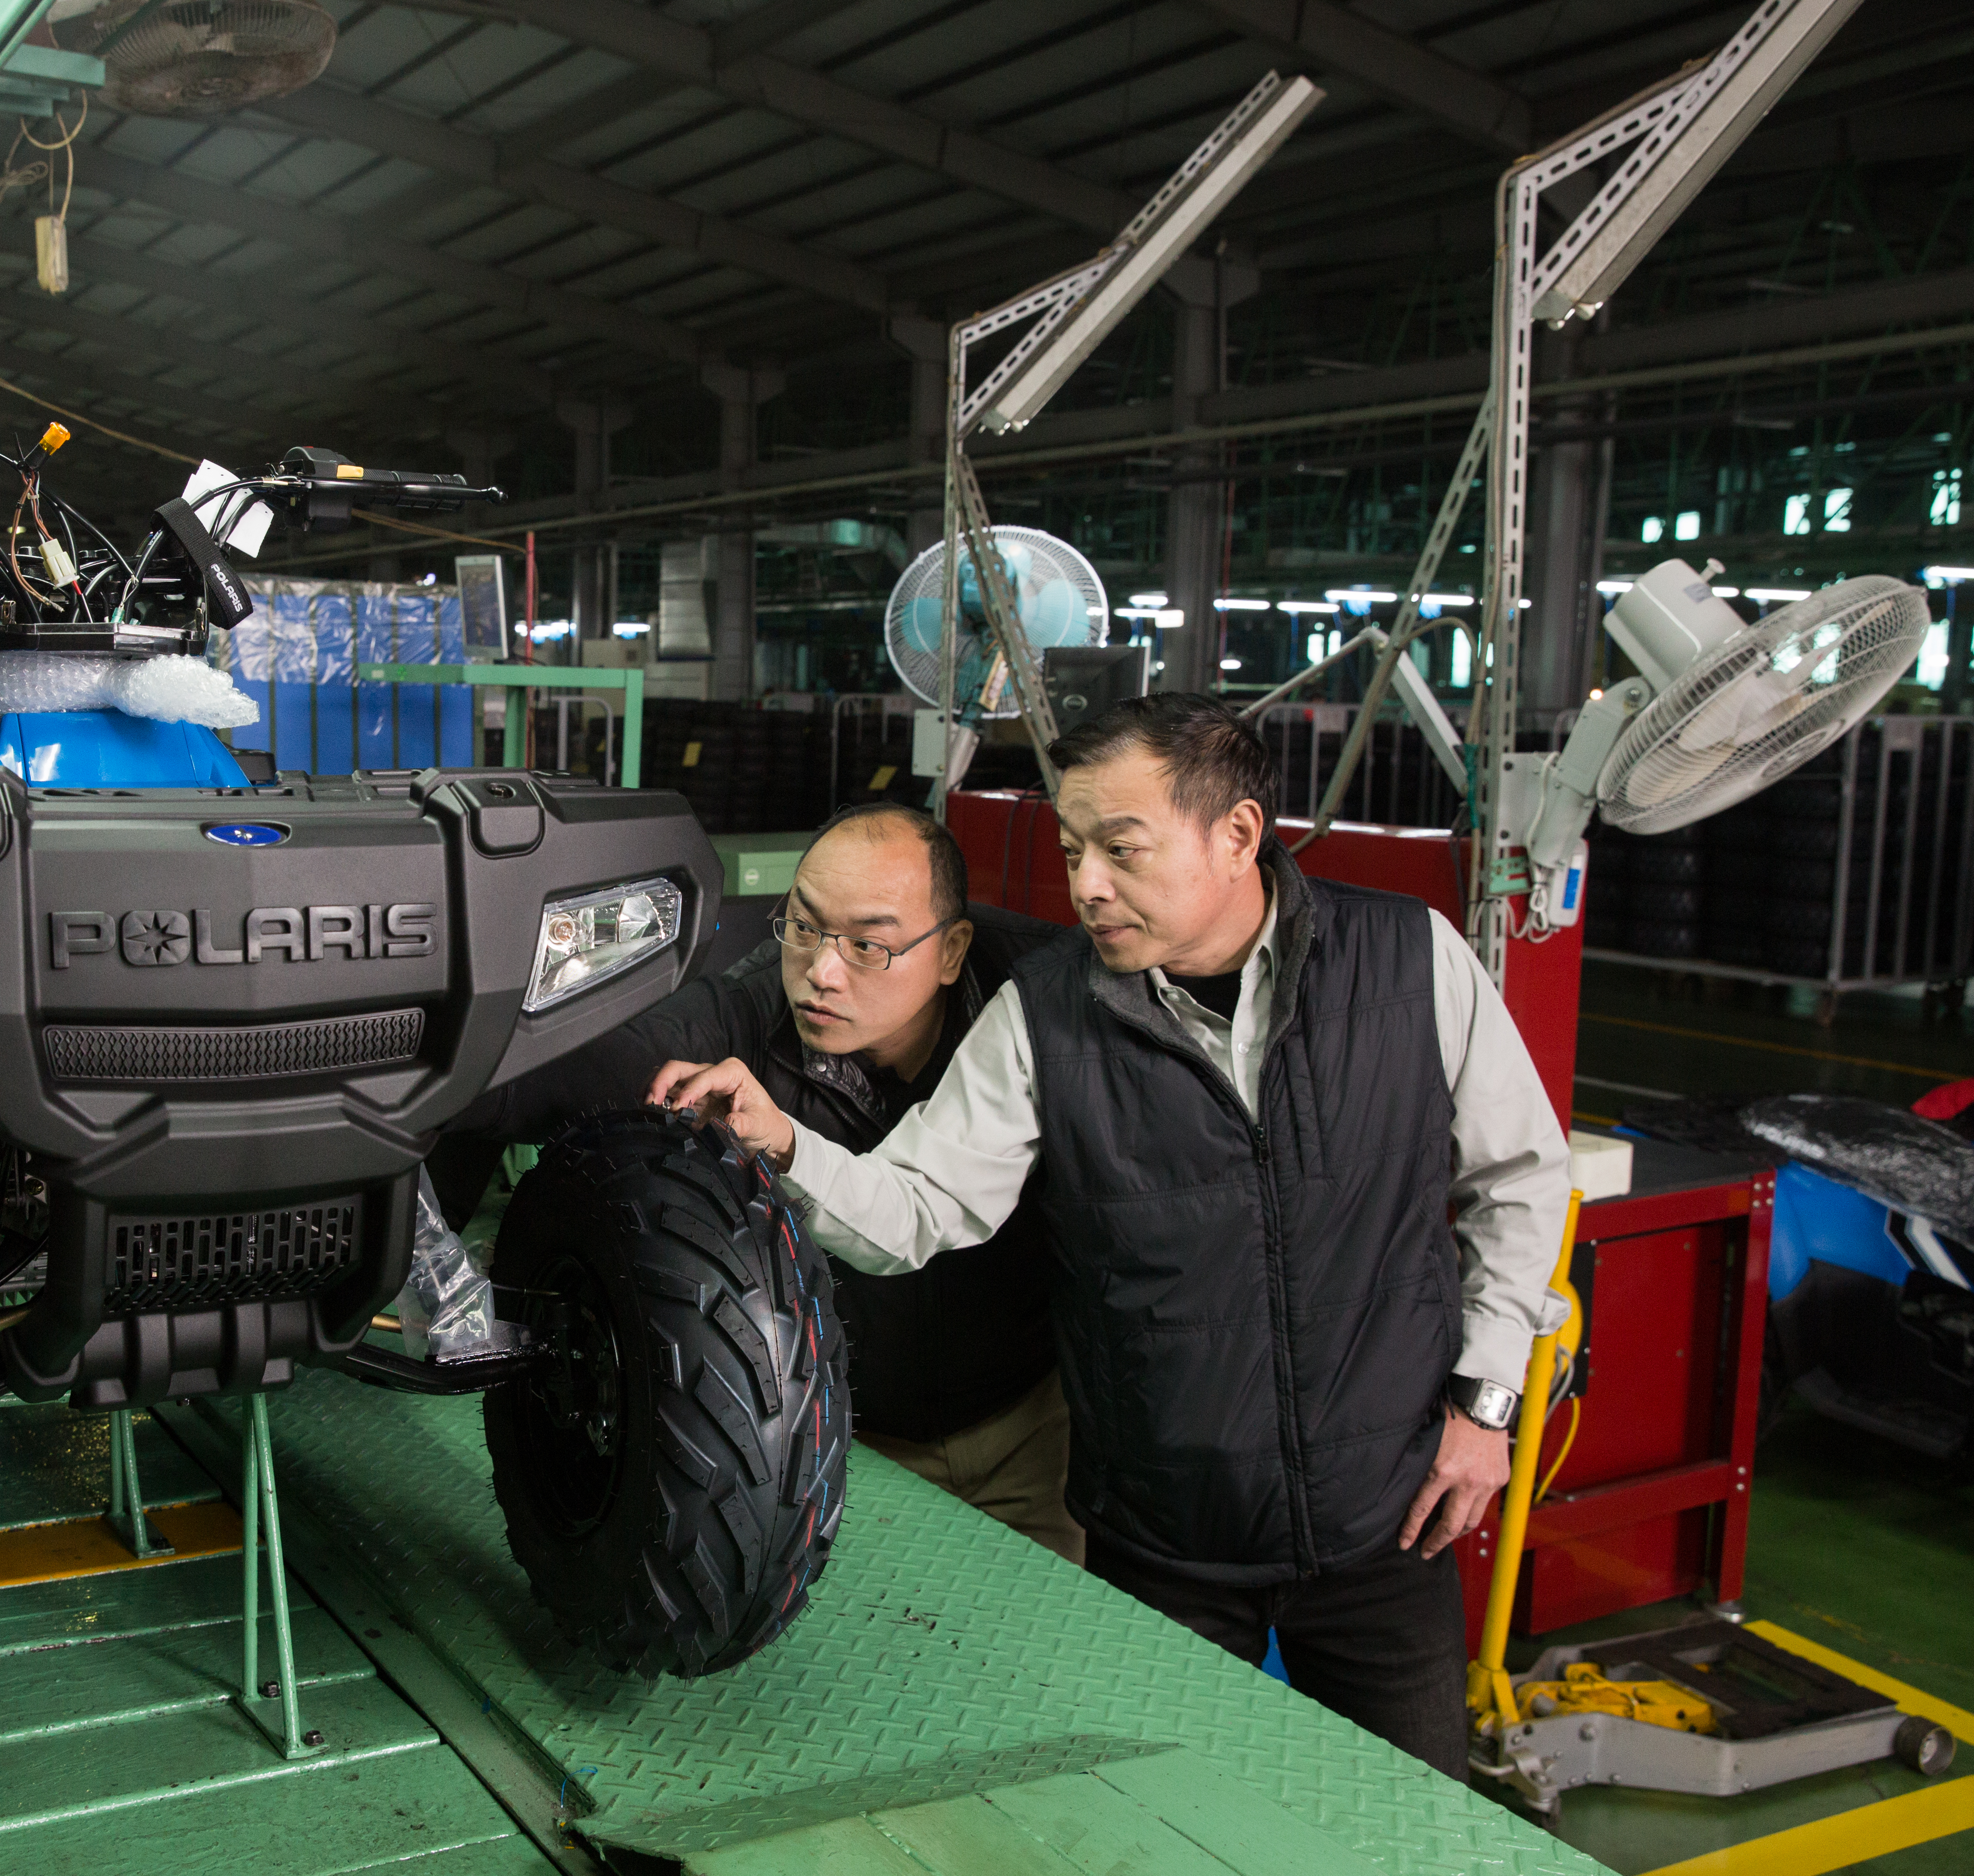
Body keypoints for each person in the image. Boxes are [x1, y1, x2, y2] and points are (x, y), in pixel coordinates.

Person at [652, 694, 1570, 1778]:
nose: (1086, 884)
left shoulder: (1410, 961)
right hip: (1162, 1547)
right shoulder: (1045, 1015)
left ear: (1237, 834)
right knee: (1157, 1825)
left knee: (1405, 1824)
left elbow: (1522, 1176)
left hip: (1390, 1526)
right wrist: (785, 1143)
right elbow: (920, 1206)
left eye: (1121, 850)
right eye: (1072, 849)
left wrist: (1486, 1404)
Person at [441, 801, 1085, 1564]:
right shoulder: (751, 1014)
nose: (821, 974)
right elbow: (603, 1061)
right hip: (850, 1439)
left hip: (1029, 1436)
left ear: (951, 951)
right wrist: (438, 1067)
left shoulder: (1041, 1006)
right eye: (804, 927)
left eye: (868, 946)